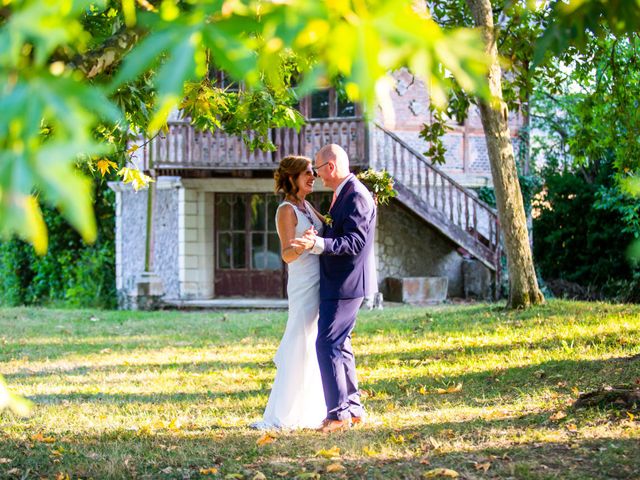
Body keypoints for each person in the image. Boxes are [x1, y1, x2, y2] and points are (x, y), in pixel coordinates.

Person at [292, 144, 377, 433]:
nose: (316, 174)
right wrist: (322, 234)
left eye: (317, 167)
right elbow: (341, 232)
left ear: (330, 166)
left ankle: (338, 414)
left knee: (326, 343)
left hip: (346, 283)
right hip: (340, 281)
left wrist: (317, 244)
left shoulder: (356, 196)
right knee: (340, 345)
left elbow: (354, 242)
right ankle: (352, 409)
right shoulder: (344, 194)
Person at [252, 155, 327, 430]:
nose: (313, 177)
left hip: (320, 280)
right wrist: (303, 247)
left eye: (313, 173)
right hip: (304, 283)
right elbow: (286, 254)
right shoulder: (286, 210)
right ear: (292, 178)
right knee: (300, 340)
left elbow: (327, 229)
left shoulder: (307, 206)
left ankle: (312, 405)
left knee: (315, 340)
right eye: (307, 173)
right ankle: (284, 412)